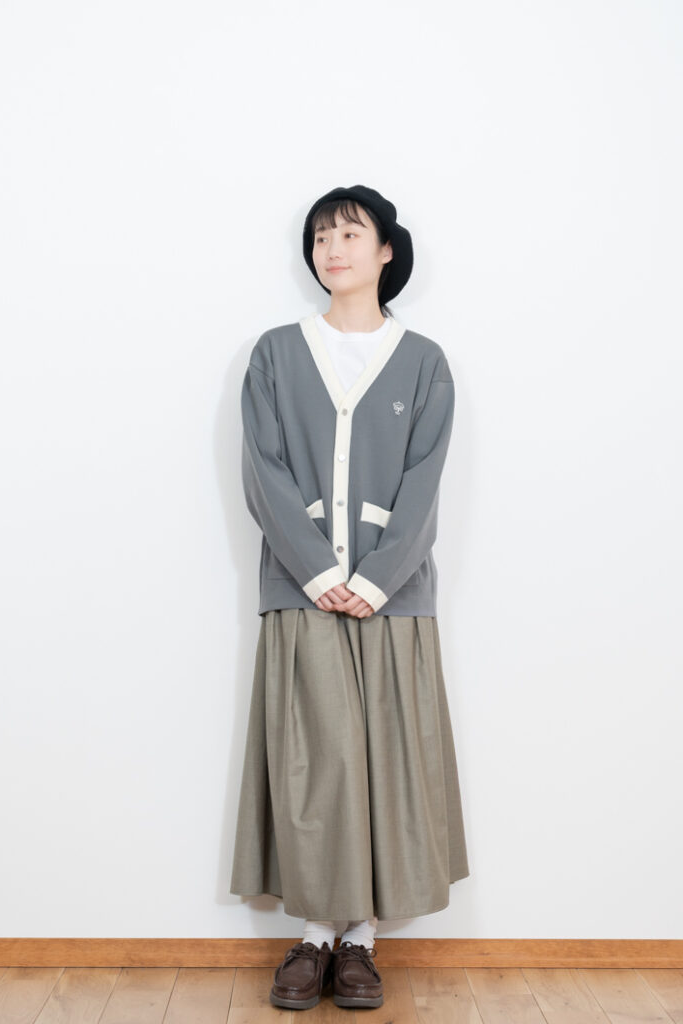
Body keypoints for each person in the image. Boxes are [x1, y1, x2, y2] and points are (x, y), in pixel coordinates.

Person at [229, 184, 470, 1011]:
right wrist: (315, 571)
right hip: (302, 593)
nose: (332, 249)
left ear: (386, 250)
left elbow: (425, 485)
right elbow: (263, 471)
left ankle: (361, 943)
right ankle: (315, 936)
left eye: (350, 234)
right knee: (317, 763)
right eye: (320, 237)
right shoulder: (275, 354)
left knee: (385, 765)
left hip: (392, 599)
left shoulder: (424, 361)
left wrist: (374, 578)